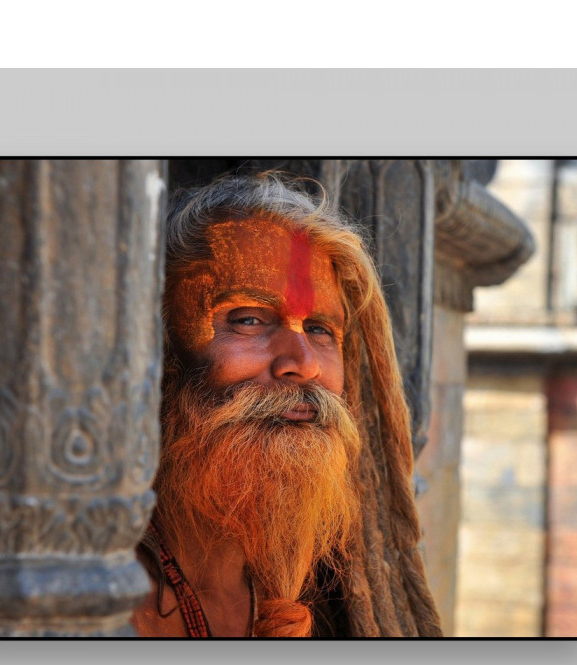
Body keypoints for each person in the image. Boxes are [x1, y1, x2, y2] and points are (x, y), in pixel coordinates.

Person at [131, 172, 442, 638]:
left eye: (320, 329)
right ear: (158, 347)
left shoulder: (337, 595)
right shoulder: (96, 587)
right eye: (249, 320)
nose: (303, 364)